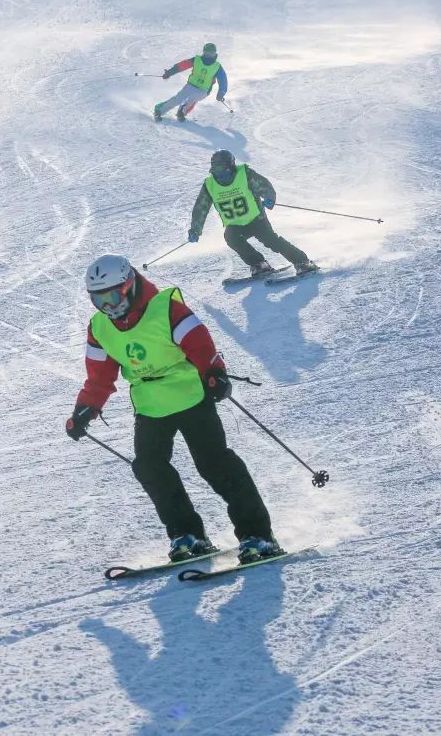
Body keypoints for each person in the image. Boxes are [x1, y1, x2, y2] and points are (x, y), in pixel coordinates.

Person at [65, 254, 281, 564]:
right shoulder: (100, 327)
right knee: (149, 467)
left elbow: (199, 343)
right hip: (151, 405)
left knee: (214, 464)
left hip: (190, 394)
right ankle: (187, 534)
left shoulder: (165, 308)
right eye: (98, 300)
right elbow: (99, 376)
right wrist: (85, 409)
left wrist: (213, 372)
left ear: (128, 286)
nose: (108, 306)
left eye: (112, 296)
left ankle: (258, 535)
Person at [188, 150, 319, 277]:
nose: (220, 175)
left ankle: (302, 261)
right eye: (216, 171)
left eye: (223, 170)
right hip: (235, 224)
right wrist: (195, 229)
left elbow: (264, 185)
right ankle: (259, 264)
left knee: (271, 241)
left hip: (257, 219)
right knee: (230, 237)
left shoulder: (245, 174)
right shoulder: (210, 185)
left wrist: (269, 198)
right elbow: (201, 207)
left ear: (231, 167)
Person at [153, 42, 228, 122]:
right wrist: (169, 72)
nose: (209, 56)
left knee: (193, 98)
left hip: (204, 90)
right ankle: (159, 110)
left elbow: (223, 81)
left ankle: (181, 112)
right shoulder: (197, 60)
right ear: (204, 52)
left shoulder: (217, 67)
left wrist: (221, 92)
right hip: (191, 85)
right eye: (207, 53)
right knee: (178, 99)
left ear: (215, 53)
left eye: (211, 53)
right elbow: (182, 66)